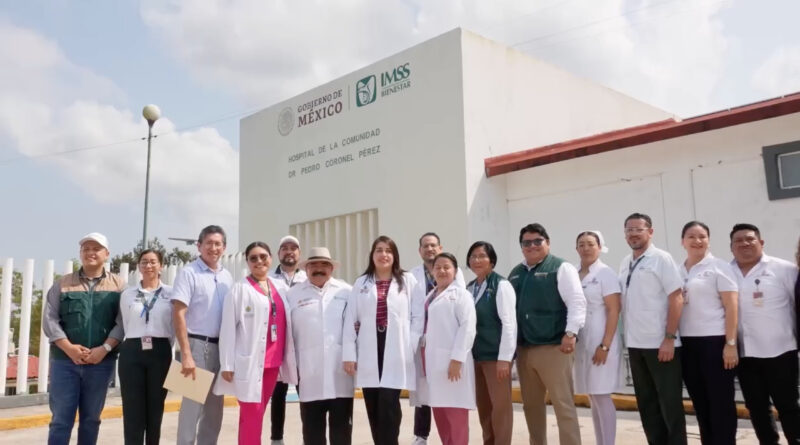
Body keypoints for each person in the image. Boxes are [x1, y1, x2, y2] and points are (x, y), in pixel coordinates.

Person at [42, 232, 124, 445]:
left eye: (96, 249)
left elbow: (123, 322)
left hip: (101, 363)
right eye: (85, 249)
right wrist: (68, 348)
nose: (90, 253)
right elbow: (50, 319)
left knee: (91, 420)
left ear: (107, 254)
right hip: (64, 362)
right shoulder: (62, 284)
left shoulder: (119, 286)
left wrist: (104, 348)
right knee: (61, 420)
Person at [509, 223, 586, 445]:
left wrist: (570, 333)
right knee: (531, 407)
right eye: (526, 243)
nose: (532, 246)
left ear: (548, 243)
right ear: (521, 246)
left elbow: (577, 302)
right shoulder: (516, 273)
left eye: (537, 241)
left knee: (563, 406)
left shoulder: (561, 267)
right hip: (525, 350)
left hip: (554, 347)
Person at [214, 241, 297, 445]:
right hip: (248, 363)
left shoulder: (279, 286)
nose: (259, 261)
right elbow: (227, 329)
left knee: (255, 415)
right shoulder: (239, 289)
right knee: (252, 414)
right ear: (247, 262)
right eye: (253, 258)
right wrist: (227, 364)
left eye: (263, 256)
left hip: (273, 363)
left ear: (271, 258)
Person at [343, 235, 420, 445]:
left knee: (389, 404)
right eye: (379, 250)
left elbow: (418, 316)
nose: (383, 254)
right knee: (373, 404)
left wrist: (410, 343)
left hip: (396, 345)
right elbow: (351, 319)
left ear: (394, 255)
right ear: (372, 255)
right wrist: (349, 354)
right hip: (370, 345)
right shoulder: (361, 283)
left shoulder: (407, 280)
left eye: (388, 250)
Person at [729, 223, 800, 444]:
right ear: (731, 247)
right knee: (757, 408)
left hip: (781, 352)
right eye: (738, 241)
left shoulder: (784, 269)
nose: (744, 244)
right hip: (746, 353)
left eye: (750, 239)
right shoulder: (725, 271)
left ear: (761, 242)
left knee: (788, 406)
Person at [619, 213, 686, 445]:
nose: (633, 234)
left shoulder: (661, 259)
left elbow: (676, 298)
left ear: (650, 231)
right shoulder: (625, 262)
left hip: (661, 345)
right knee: (647, 405)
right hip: (636, 346)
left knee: (670, 405)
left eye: (638, 229)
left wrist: (669, 338)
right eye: (629, 230)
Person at [171, 225, 234, 445]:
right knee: (191, 410)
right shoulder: (189, 273)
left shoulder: (227, 276)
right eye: (209, 243)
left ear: (224, 248)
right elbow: (178, 313)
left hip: (221, 349)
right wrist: (186, 354)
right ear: (199, 246)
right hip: (197, 348)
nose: (213, 248)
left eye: (218, 244)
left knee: (214, 412)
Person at [678, 221, 739, 445]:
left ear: (709, 240)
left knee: (720, 403)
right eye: (691, 236)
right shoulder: (678, 269)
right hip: (687, 344)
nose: (697, 241)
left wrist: (730, 343)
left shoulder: (720, 267)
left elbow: (732, 306)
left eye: (702, 236)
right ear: (682, 241)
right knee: (701, 403)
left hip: (715, 343)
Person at [287, 247, 354, 445]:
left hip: (340, 373)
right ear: (306, 268)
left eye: (324, 264)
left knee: (341, 432)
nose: (318, 269)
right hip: (308, 375)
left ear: (331, 268)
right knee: (312, 433)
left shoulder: (346, 292)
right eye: (313, 265)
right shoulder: (292, 294)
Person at [409, 232, 465, 445]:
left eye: (433, 245)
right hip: (422, 337)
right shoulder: (413, 276)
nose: (429, 249)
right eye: (425, 246)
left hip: (445, 339)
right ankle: (421, 434)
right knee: (423, 388)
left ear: (440, 248)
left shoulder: (454, 273)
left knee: (446, 389)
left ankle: (453, 438)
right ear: (420, 251)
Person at [414, 253, 476, 445]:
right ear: (432, 271)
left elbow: (468, 328)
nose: (441, 271)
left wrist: (457, 359)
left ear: (455, 271)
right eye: (437, 267)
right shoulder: (431, 295)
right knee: (440, 415)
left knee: (455, 417)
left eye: (446, 267)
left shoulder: (461, 295)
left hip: (452, 365)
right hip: (432, 365)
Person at [118, 249, 174, 445]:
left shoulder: (170, 293)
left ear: (161, 266)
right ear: (138, 266)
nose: (148, 266)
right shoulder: (128, 294)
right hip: (132, 350)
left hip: (160, 351)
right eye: (144, 262)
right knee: (132, 409)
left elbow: (175, 326)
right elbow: (126, 322)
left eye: (153, 262)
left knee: (155, 408)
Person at [572, 231, 621, 445]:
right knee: (592, 396)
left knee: (601, 395)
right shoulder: (574, 273)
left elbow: (614, 310)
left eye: (591, 244)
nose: (586, 248)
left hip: (602, 339)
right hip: (582, 342)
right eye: (581, 244)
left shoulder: (605, 274)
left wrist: (605, 345)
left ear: (600, 247)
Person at [464, 241, 516, 445]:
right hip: (476, 358)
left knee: (500, 408)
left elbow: (509, 324)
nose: (477, 260)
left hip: (496, 358)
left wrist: (505, 358)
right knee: (484, 407)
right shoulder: (469, 288)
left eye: (481, 256)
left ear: (492, 260)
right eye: (473, 256)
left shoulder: (501, 285)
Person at [269, 235, 308, 445]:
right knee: (278, 393)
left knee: (306, 392)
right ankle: (277, 439)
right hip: (278, 345)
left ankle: (308, 437)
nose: (289, 251)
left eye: (293, 248)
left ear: (299, 254)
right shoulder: (268, 279)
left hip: (303, 343)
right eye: (284, 248)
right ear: (278, 254)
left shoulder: (307, 278)